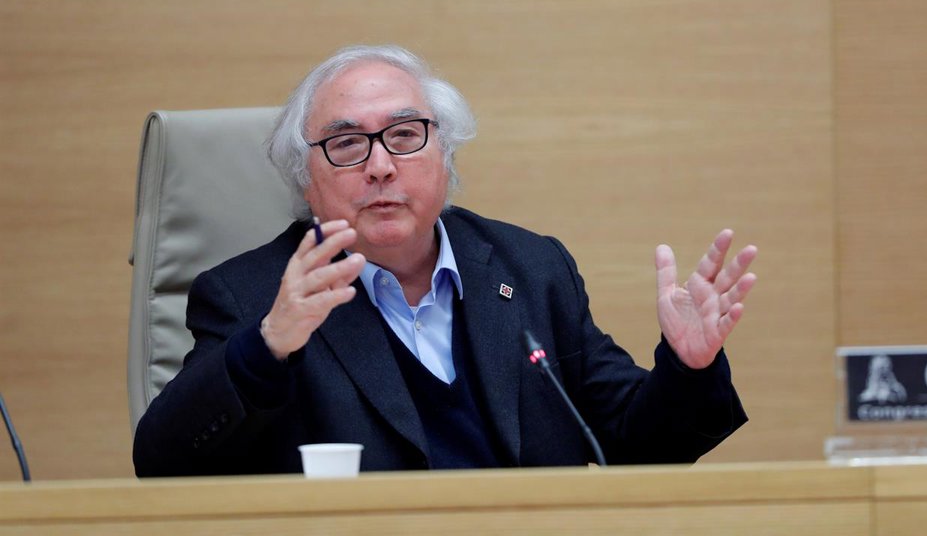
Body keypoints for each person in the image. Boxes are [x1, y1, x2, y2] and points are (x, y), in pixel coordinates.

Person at [133, 45, 757, 476]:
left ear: (445, 156)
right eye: (347, 144)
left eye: (405, 136)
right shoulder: (250, 296)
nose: (381, 166)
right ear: (305, 179)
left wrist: (688, 367)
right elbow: (164, 464)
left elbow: (636, 445)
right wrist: (268, 346)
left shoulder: (530, 269)